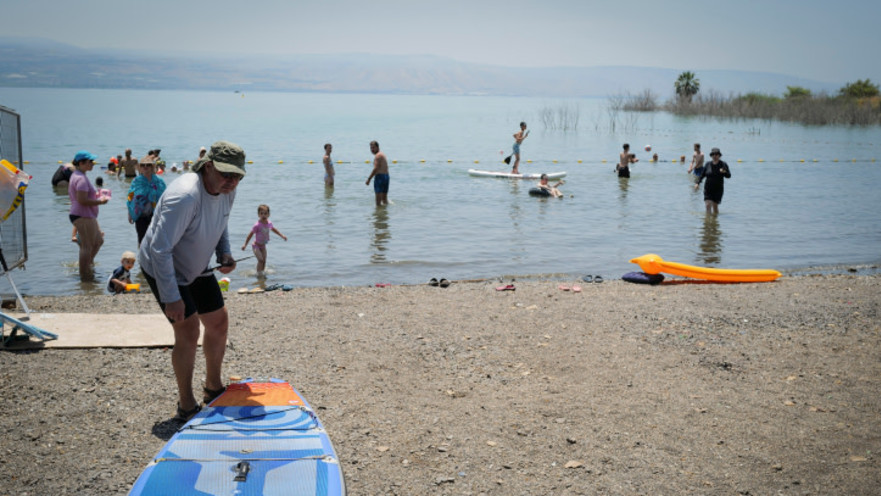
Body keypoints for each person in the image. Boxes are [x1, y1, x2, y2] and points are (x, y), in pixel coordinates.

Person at [138, 140, 245, 421]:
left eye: (237, 176)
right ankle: (186, 404)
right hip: (165, 266)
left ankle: (213, 388)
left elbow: (221, 222)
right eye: (226, 174)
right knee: (188, 331)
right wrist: (171, 295)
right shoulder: (185, 196)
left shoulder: (226, 189)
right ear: (208, 166)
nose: (232, 181)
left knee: (219, 321)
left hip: (196, 264)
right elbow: (159, 249)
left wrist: (224, 253)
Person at [68, 150, 109, 280]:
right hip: (82, 215)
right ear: (81, 163)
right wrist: (99, 202)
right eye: (90, 162)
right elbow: (82, 200)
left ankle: (87, 265)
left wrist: (97, 196)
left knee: (98, 241)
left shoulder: (79, 175)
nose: (93, 164)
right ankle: (84, 275)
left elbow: (82, 197)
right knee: (86, 246)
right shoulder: (80, 178)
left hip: (86, 215)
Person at [126, 156, 167, 246]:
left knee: (156, 240)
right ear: (140, 167)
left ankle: (153, 259)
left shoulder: (159, 181)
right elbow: (130, 197)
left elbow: (165, 197)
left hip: (156, 214)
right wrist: (129, 213)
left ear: (152, 167)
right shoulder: (136, 181)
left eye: (148, 165)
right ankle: (142, 259)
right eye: (143, 165)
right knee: (142, 240)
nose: (145, 167)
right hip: (140, 214)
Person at [241, 204, 287, 275]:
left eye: (265, 213)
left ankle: (262, 274)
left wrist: (282, 235)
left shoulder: (269, 223)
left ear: (268, 214)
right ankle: (258, 275)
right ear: (258, 215)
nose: (263, 215)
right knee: (260, 260)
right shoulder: (257, 225)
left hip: (263, 246)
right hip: (256, 246)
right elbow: (250, 235)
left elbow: (274, 229)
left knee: (264, 261)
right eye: (261, 213)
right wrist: (245, 245)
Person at [694, 147, 731, 214]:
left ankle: (714, 221)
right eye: (713, 154)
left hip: (718, 189)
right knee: (708, 205)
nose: (714, 156)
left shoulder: (723, 164)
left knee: (715, 206)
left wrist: (724, 172)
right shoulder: (708, 164)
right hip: (708, 189)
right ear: (711, 155)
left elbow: (728, 176)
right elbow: (702, 175)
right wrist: (697, 183)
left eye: (716, 154)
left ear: (719, 155)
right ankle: (708, 223)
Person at [366, 140, 389, 206]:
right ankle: (384, 214)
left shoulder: (377, 156)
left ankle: (379, 215)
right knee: (384, 200)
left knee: (378, 202)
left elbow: (375, 168)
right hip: (386, 177)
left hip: (380, 177)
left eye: (373, 147)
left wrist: (369, 179)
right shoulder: (383, 154)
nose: (372, 149)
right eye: (371, 148)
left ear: (378, 147)